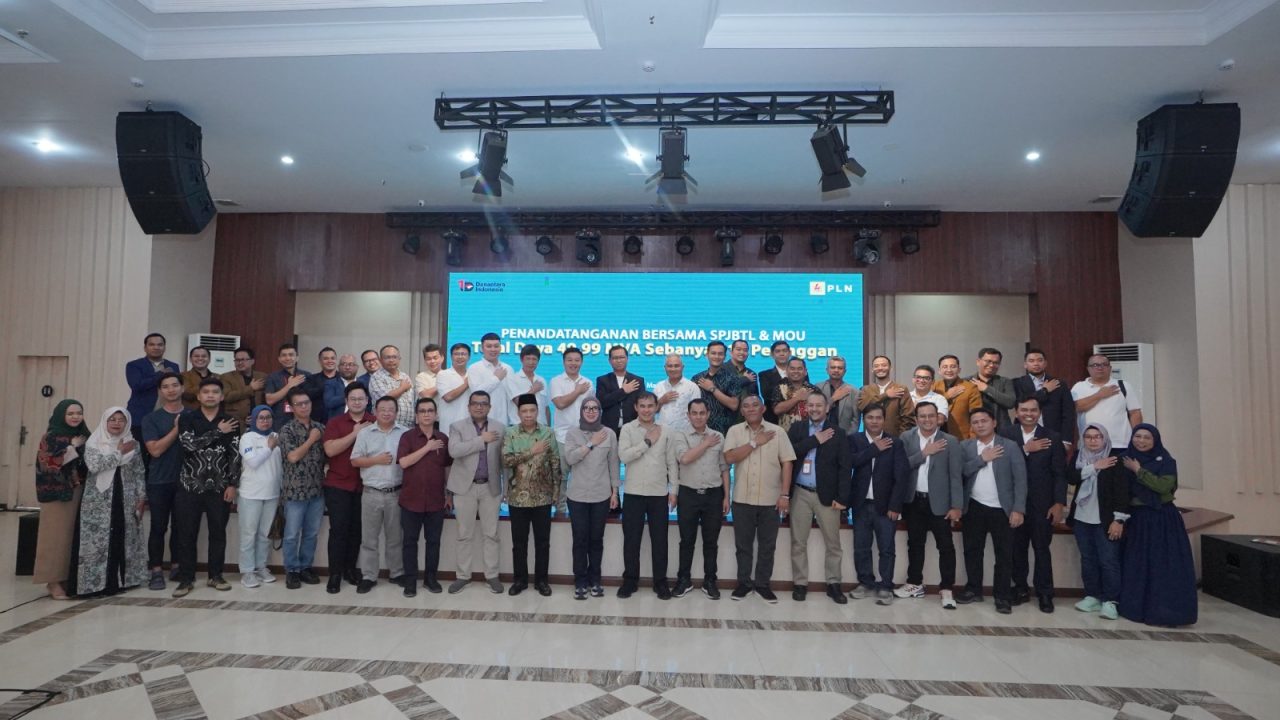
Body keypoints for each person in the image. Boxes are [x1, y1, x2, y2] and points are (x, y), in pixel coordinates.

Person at [1119, 424, 1197, 626]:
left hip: (1162, 519)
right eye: (1137, 436)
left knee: (1163, 566)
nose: (1141, 441)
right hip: (1137, 519)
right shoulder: (1124, 459)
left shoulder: (1166, 461)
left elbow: (1163, 487)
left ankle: (1166, 611)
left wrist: (1139, 470)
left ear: (1155, 440)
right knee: (1139, 564)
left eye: (1147, 437)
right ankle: (1136, 609)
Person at [68, 407, 148, 596]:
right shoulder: (94, 442)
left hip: (126, 498)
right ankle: (94, 585)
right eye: (112, 419)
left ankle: (119, 582)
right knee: (98, 542)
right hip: (98, 501)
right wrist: (119, 453)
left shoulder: (133, 444)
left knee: (122, 537)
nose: (117, 423)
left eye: (121, 419)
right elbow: (95, 466)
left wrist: (141, 497)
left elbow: (139, 471)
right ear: (105, 421)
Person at [723, 395, 795, 603]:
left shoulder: (778, 432)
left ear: (763, 408)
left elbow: (787, 463)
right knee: (743, 546)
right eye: (746, 406)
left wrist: (784, 494)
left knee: (767, 546)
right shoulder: (734, 431)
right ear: (742, 411)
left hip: (770, 500)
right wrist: (755, 443)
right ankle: (744, 584)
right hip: (742, 499)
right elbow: (729, 458)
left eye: (755, 405)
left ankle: (763, 585)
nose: (751, 409)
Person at [173, 377, 240, 598]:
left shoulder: (231, 421)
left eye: (215, 392)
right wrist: (217, 432)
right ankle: (186, 579)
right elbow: (188, 445)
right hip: (190, 484)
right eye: (206, 392)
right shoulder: (187, 418)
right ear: (199, 396)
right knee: (186, 534)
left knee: (218, 533)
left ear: (222, 397)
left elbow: (234, 455)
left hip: (220, 486)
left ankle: (216, 576)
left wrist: (233, 484)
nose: (210, 395)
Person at [1000, 397, 1068, 613]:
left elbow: (1060, 474)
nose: (1028, 414)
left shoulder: (1052, 437)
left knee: (1041, 549)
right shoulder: (1006, 434)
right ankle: (1020, 588)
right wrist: (1025, 449)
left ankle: (1045, 593)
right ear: (1016, 412)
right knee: (1016, 549)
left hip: (1042, 505)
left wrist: (1059, 503)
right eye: (1024, 410)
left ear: (1039, 412)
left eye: (1033, 410)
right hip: (1015, 505)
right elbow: (1001, 466)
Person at [956, 408, 1027, 613]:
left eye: (984, 421)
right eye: (975, 422)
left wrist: (1018, 509)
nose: (980, 425)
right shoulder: (966, 446)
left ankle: (1002, 596)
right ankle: (973, 589)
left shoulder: (1010, 446)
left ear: (994, 423)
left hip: (1002, 509)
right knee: (972, 551)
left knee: (1004, 555)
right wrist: (982, 459)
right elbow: (960, 472)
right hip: (974, 506)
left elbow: (1021, 479)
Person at [897, 401, 965, 608]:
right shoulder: (906, 438)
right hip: (914, 500)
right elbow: (901, 467)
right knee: (915, 544)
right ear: (916, 419)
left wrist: (956, 506)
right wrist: (924, 453)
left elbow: (956, 476)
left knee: (945, 546)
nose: (927, 420)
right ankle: (914, 583)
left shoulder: (950, 441)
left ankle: (947, 588)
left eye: (931, 416)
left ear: (938, 418)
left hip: (940, 503)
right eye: (922, 416)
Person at [786, 391, 852, 604]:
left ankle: (834, 584)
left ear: (827, 408)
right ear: (806, 407)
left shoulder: (838, 432)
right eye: (811, 405)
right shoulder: (797, 428)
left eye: (819, 405)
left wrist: (843, 498)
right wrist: (814, 440)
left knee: (833, 544)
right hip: (800, 493)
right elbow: (789, 453)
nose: (814, 409)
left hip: (828, 496)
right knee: (798, 542)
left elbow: (845, 468)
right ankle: (800, 583)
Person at [847, 405, 910, 605]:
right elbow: (850, 462)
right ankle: (865, 583)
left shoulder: (895, 443)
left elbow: (901, 477)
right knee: (861, 547)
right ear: (863, 420)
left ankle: (886, 586)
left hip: (885, 506)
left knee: (887, 548)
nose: (874, 421)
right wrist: (873, 449)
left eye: (878, 418)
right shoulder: (854, 440)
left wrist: (896, 506)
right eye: (870, 417)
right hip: (860, 504)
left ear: (884, 420)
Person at [617, 392, 678, 599]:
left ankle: (660, 583)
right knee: (631, 541)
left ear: (656, 407)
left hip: (658, 493)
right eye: (642, 406)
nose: (646, 410)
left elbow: (672, 463)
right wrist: (647, 443)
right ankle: (630, 581)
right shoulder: (627, 429)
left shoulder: (667, 431)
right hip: (633, 493)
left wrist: (674, 491)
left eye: (650, 406)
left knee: (660, 541)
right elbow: (624, 456)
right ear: (636, 407)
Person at [1067, 423, 1130, 620]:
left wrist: (1119, 520)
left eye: (1097, 437)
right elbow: (1071, 477)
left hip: (1106, 520)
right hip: (1082, 519)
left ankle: (1111, 601)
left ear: (1104, 438)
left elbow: (1122, 493)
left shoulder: (1115, 460)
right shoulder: (1078, 457)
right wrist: (1094, 467)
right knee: (1088, 559)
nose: (1093, 440)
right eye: (1088, 437)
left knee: (1108, 561)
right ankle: (1092, 595)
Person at [668, 399, 729, 599]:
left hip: (713, 495)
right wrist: (705, 444)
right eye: (694, 413)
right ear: (688, 415)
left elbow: (724, 469)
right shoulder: (680, 435)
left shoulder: (718, 436)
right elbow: (684, 458)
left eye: (702, 413)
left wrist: (727, 496)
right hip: (688, 494)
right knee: (687, 540)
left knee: (711, 542)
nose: (698, 417)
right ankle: (683, 580)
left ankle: (710, 581)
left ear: (708, 414)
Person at [502, 393, 562, 596]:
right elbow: (506, 460)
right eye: (524, 411)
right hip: (517, 497)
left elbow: (555, 463)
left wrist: (556, 493)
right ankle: (519, 581)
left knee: (542, 542)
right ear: (518, 413)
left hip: (543, 497)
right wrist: (532, 451)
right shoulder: (510, 433)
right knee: (519, 543)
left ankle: (541, 581)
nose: (528, 414)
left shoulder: (548, 433)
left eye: (532, 410)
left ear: (537, 412)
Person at [445, 391, 505, 594]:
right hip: (465, 487)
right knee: (464, 534)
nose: (479, 407)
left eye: (484, 404)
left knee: (492, 534)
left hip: (490, 487)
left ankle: (492, 576)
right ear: (469, 406)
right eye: (475, 404)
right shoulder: (457, 426)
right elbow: (454, 451)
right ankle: (463, 576)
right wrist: (481, 440)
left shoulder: (500, 428)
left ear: (490, 407)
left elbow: (503, 460)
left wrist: (506, 488)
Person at [33, 399, 90, 600]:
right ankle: (52, 581)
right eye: (70, 413)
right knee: (55, 537)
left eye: (79, 413)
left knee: (70, 537)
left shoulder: (84, 435)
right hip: (56, 493)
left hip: (79, 490)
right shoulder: (51, 437)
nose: (76, 417)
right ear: (61, 415)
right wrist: (71, 447)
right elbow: (48, 464)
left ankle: (66, 578)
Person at [563, 398, 619, 599]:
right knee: (580, 540)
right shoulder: (572, 433)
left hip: (601, 496)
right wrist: (590, 443)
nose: (591, 411)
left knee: (596, 540)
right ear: (581, 411)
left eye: (595, 408)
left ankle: (595, 580)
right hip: (577, 496)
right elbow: (570, 458)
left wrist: (615, 492)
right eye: (586, 408)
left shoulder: (609, 434)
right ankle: (580, 581)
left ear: (600, 411)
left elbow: (613, 464)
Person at [351, 396, 408, 593]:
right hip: (371, 493)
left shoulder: (405, 433)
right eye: (382, 409)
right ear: (375, 411)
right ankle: (369, 576)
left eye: (390, 409)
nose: (386, 413)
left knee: (395, 537)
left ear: (396, 412)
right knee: (369, 539)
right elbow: (355, 461)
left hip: (396, 493)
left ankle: (397, 573)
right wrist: (376, 460)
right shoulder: (365, 433)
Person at [397, 398, 452, 597]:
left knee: (434, 542)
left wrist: (449, 494)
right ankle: (410, 582)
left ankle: (431, 579)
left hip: (436, 501)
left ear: (436, 415)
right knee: (409, 542)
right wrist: (427, 447)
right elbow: (404, 462)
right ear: (416, 415)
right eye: (422, 411)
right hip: (410, 500)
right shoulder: (407, 437)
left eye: (430, 411)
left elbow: (447, 467)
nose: (426, 414)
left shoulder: (443, 438)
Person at [321, 382, 372, 593]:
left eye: (361, 399)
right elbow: (330, 450)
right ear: (346, 401)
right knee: (338, 530)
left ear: (367, 401)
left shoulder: (375, 422)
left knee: (356, 531)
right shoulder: (335, 422)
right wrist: (355, 433)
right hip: (338, 485)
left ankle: (350, 570)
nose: (357, 402)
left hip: (365, 487)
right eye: (353, 399)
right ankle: (334, 574)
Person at [141, 372, 186, 590]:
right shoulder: (151, 419)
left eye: (175, 385)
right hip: (159, 480)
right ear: (160, 391)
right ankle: (156, 571)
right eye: (166, 386)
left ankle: (177, 566)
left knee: (181, 527)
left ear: (182, 388)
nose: (171, 390)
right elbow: (155, 450)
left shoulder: (193, 415)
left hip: (186, 481)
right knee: (158, 527)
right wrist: (177, 429)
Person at [277, 388, 326, 589]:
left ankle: (306, 567)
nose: (304, 407)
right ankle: (292, 570)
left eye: (306, 402)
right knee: (291, 535)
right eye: (299, 404)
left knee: (311, 534)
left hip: (317, 490)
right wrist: (311, 439)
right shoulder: (286, 430)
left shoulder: (320, 427)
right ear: (291, 407)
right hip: (294, 492)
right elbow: (293, 457)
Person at [236, 405, 281, 589]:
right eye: (261, 418)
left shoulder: (276, 436)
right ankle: (247, 571)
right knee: (249, 534)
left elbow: (280, 466)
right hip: (251, 494)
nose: (265, 421)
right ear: (254, 419)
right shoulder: (247, 437)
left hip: (272, 493)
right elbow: (253, 462)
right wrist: (269, 448)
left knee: (265, 535)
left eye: (268, 417)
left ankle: (261, 567)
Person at [1071, 354, 1143, 450]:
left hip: (1120, 444)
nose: (1100, 368)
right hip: (1090, 445)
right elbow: (1075, 407)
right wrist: (1099, 395)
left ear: (1110, 368)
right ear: (1088, 369)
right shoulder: (1079, 387)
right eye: (1095, 365)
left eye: (1104, 364)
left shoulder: (1123, 385)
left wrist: (1137, 437)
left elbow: (1135, 413)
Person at [125, 333, 180, 458]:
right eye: (152, 344)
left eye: (160, 345)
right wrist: (160, 374)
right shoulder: (134, 365)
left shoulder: (173, 366)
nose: (156, 347)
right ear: (145, 347)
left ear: (164, 347)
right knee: (141, 455)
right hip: (141, 417)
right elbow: (137, 386)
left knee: (166, 454)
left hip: (167, 417)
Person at [1014, 349, 1076, 442]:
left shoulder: (1058, 384)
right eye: (1031, 361)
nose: (1036, 364)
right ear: (1025, 365)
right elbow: (1022, 404)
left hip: (1054, 434)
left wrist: (1066, 440)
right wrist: (1044, 391)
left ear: (1045, 363)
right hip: (1025, 434)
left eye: (1040, 360)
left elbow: (1068, 413)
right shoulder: (1017, 383)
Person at [691, 341, 744, 435]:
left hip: (725, 432)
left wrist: (713, 389)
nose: (716, 356)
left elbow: (734, 405)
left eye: (720, 354)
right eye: (713, 353)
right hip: (699, 432)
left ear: (725, 356)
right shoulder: (697, 378)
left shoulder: (733, 378)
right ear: (707, 355)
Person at [858, 355, 915, 435]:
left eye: (884, 365)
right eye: (876, 366)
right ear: (872, 370)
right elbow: (862, 406)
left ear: (890, 368)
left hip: (895, 438)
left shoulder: (901, 389)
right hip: (870, 438)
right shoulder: (865, 390)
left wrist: (900, 438)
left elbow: (908, 417)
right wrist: (885, 395)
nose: (880, 368)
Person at [551, 346, 595, 446]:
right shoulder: (556, 381)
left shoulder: (588, 383)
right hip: (562, 436)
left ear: (581, 362)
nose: (573, 363)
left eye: (577, 360)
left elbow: (593, 409)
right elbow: (560, 404)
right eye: (569, 360)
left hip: (585, 436)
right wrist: (577, 391)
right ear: (564, 362)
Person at [597, 345, 644, 435]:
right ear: (610, 361)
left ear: (627, 359)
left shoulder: (637, 380)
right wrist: (622, 391)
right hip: (608, 429)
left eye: (622, 357)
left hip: (632, 429)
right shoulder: (602, 380)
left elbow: (641, 405)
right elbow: (601, 403)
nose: (619, 360)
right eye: (615, 358)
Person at [469, 333, 515, 424]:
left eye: (496, 346)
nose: (493, 349)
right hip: (482, 422)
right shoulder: (474, 368)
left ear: (500, 348)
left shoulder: (508, 369)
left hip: (504, 422)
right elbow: (477, 394)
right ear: (482, 348)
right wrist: (496, 379)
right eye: (489, 346)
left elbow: (511, 398)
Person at [934, 354, 982, 440]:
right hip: (936, 436)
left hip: (961, 437)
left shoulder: (970, 388)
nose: (949, 370)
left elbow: (977, 416)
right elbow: (926, 408)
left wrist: (972, 439)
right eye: (945, 367)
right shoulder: (933, 387)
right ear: (939, 371)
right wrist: (947, 396)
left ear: (959, 370)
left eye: (953, 367)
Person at [368, 345, 416, 428]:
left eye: (394, 357)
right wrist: (402, 388)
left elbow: (413, 401)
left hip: (409, 427)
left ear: (399, 359)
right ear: (381, 360)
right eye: (387, 357)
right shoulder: (376, 377)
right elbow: (384, 399)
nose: (391, 360)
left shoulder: (405, 376)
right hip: (387, 428)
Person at [264, 343, 309, 430]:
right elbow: (269, 400)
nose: (287, 358)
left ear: (297, 358)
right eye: (284, 355)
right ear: (279, 359)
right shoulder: (273, 377)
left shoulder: (306, 375)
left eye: (291, 355)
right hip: (280, 423)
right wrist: (289, 386)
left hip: (303, 422)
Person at [221, 347, 267, 432]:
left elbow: (266, 399)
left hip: (259, 421)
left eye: (243, 360)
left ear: (252, 361)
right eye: (237, 360)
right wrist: (251, 388)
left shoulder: (262, 376)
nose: (240, 363)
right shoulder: (226, 377)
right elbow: (226, 396)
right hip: (235, 422)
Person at [769, 357, 820, 433]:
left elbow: (820, 412)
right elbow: (777, 410)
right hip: (786, 434)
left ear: (805, 371)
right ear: (787, 371)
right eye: (792, 369)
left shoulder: (813, 389)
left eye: (799, 369)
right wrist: (797, 398)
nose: (796, 371)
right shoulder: (779, 388)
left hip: (810, 433)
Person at [969, 348, 1016, 430]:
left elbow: (1010, 402)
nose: (991, 365)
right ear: (978, 362)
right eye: (988, 361)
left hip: (1001, 429)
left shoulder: (1005, 381)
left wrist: (986, 388)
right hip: (974, 429)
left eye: (996, 363)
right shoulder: (967, 382)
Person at [504, 344, 551, 426]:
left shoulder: (542, 380)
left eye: (534, 359)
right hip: (519, 428)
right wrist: (533, 390)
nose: (531, 362)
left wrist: (548, 428)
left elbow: (546, 408)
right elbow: (519, 402)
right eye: (528, 359)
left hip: (541, 428)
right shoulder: (512, 379)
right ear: (521, 359)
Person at [654, 354, 700, 432]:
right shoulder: (659, 386)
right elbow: (652, 412)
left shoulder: (692, 387)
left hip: (685, 434)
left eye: (676, 366)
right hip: (662, 434)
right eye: (670, 366)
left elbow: (697, 413)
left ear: (682, 367)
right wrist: (661, 401)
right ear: (665, 368)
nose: (673, 369)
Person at [435, 343, 473, 433]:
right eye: (456, 354)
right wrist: (466, 384)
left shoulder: (473, 374)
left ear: (469, 357)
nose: (460, 357)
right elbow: (448, 397)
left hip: (470, 425)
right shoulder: (443, 374)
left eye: (463, 354)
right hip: (449, 425)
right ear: (451, 357)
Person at [816, 356, 858, 431]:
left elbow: (856, 419)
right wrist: (833, 399)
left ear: (845, 371)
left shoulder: (853, 391)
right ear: (827, 370)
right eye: (833, 367)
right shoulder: (818, 388)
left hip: (845, 436)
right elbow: (816, 413)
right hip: (821, 434)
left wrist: (849, 436)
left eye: (840, 368)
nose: (836, 370)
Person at [301, 347, 340, 423]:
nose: (330, 361)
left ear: (336, 360)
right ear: (320, 361)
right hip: (316, 423)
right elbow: (306, 396)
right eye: (326, 358)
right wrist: (325, 387)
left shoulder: (344, 379)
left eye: (332, 358)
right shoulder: (311, 379)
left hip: (339, 422)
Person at [756, 340, 791, 424]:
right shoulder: (764, 375)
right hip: (773, 420)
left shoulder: (799, 373)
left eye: (784, 351)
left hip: (797, 421)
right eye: (778, 351)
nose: (782, 354)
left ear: (790, 353)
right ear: (772, 355)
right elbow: (767, 395)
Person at [727, 339, 760, 425]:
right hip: (727, 420)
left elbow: (756, 397)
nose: (742, 352)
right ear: (731, 352)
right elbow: (724, 388)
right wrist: (744, 379)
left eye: (745, 350)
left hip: (747, 421)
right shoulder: (722, 369)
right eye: (738, 349)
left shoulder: (752, 373)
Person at [323, 353, 361, 421]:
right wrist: (350, 396)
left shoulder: (363, 383)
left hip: (361, 422)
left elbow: (368, 404)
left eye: (351, 364)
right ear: (338, 367)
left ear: (357, 367)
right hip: (338, 423)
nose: (347, 367)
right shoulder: (331, 383)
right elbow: (329, 403)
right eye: (344, 364)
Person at [180, 346, 214, 410]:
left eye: (204, 356)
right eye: (196, 356)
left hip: (214, 412)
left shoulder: (218, 377)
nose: (200, 358)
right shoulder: (182, 376)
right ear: (190, 359)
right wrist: (209, 385)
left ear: (209, 359)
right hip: (191, 412)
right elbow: (188, 394)